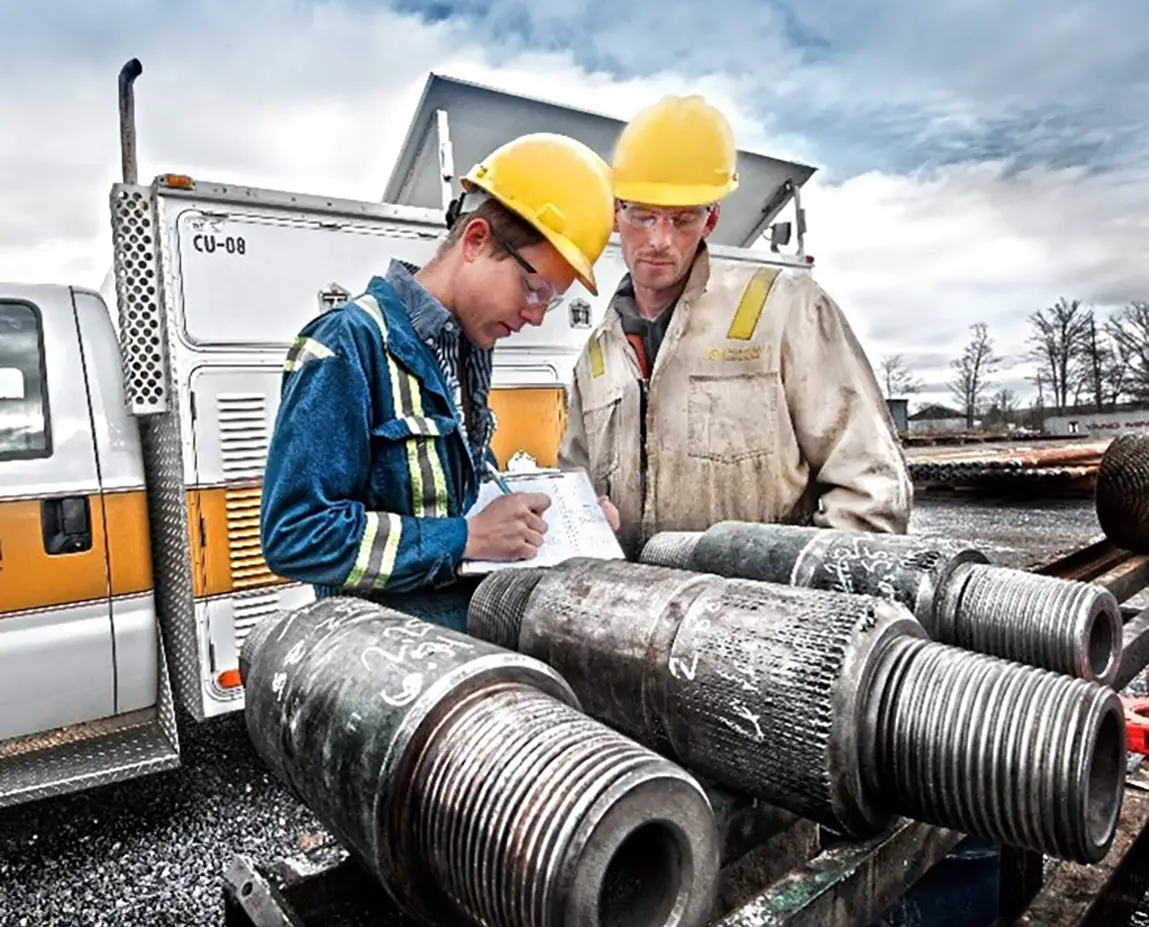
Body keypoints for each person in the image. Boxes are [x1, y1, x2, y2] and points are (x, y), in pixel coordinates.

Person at [260, 132, 616, 628]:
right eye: (533, 289)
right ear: (475, 240)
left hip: (460, 653)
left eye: (550, 300)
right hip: (383, 663)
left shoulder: (466, 351)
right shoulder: (349, 343)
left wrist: (567, 519)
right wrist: (465, 538)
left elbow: (460, 499)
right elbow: (297, 535)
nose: (536, 316)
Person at [560, 95, 912, 558]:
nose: (660, 239)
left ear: (712, 219)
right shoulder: (598, 354)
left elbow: (871, 488)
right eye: (642, 215)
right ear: (614, 214)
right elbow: (574, 494)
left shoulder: (786, 308)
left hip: (760, 617)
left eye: (682, 219)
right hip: (637, 613)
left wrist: (806, 600)